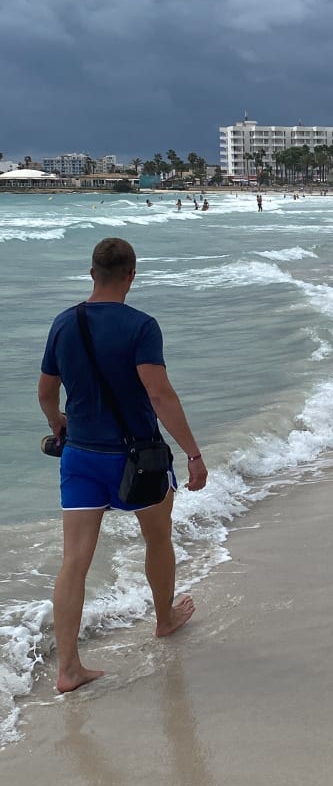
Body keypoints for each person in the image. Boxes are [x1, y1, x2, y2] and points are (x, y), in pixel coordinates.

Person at [37, 237, 208, 694]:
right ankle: (164, 618)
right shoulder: (141, 327)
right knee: (158, 539)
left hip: (80, 458)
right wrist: (193, 453)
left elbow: (46, 392)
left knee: (74, 561)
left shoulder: (64, 323)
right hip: (138, 459)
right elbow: (159, 394)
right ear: (132, 274)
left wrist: (58, 425)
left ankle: (68, 669)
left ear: (92, 273)